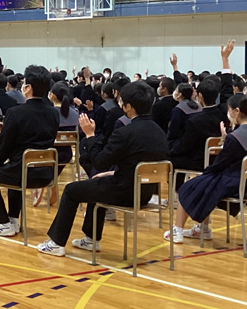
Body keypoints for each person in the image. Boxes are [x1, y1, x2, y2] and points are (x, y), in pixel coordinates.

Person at [36, 81, 168, 257]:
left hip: (125, 193)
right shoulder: (160, 132)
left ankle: (56, 243)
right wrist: (113, 173)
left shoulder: (125, 132)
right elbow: (137, 165)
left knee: (71, 190)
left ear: (128, 106)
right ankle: (91, 239)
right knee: (96, 182)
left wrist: (90, 135)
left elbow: (99, 162)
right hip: (144, 192)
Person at [166, 94, 247, 242]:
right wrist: (225, 139)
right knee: (203, 184)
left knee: (188, 187)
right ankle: (203, 229)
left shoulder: (236, 137)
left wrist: (225, 143)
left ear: (236, 111)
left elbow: (219, 164)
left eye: (229, 110)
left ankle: (177, 231)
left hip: (235, 184)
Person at [0, 65, 59, 237]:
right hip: (46, 171)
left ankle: (2, 222)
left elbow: (4, 145)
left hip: (23, 171)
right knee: (14, 169)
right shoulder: (54, 113)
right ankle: (13, 219)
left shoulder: (15, 113)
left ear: (28, 88)